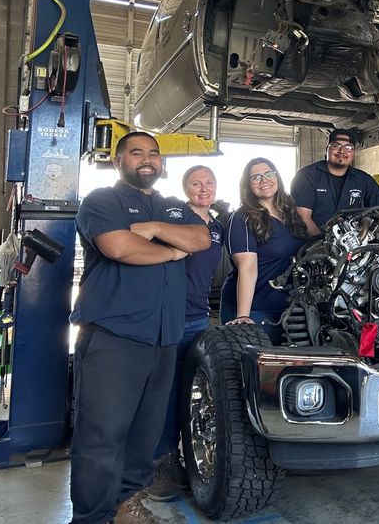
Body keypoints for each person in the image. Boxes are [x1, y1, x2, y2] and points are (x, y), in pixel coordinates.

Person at [70, 132, 210, 524]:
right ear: (118, 161)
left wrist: (150, 228)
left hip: (163, 338)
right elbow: (119, 248)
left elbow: (199, 238)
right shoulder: (102, 201)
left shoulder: (170, 206)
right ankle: (91, 518)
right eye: (137, 153)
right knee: (102, 437)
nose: (147, 159)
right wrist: (170, 250)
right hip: (114, 337)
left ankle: (124, 504)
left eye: (154, 153)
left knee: (143, 436)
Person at [147, 165, 224, 502]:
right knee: (163, 390)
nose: (203, 188)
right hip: (167, 316)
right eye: (196, 183)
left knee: (191, 391)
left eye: (209, 183)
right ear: (185, 187)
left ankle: (188, 457)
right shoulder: (173, 216)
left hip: (198, 318)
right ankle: (160, 462)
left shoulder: (219, 227)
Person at [220, 158, 307, 342]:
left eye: (268, 174)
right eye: (256, 177)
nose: (264, 180)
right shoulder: (242, 218)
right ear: (247, 185)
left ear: (277, 176)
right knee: (246, 367)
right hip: (255, 308)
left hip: (288, 308)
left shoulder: (290, 212)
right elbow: (247, 268)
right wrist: (243, 316)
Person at [291, 128, 379, 236]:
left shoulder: (363, 179)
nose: (342, 151)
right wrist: (324, 246)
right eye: (336, 146)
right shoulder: (307, 176)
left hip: (354, 247)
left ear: (353, 153)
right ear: (327, 149)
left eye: (348, 147)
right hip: (312, 246)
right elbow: (303, 218)